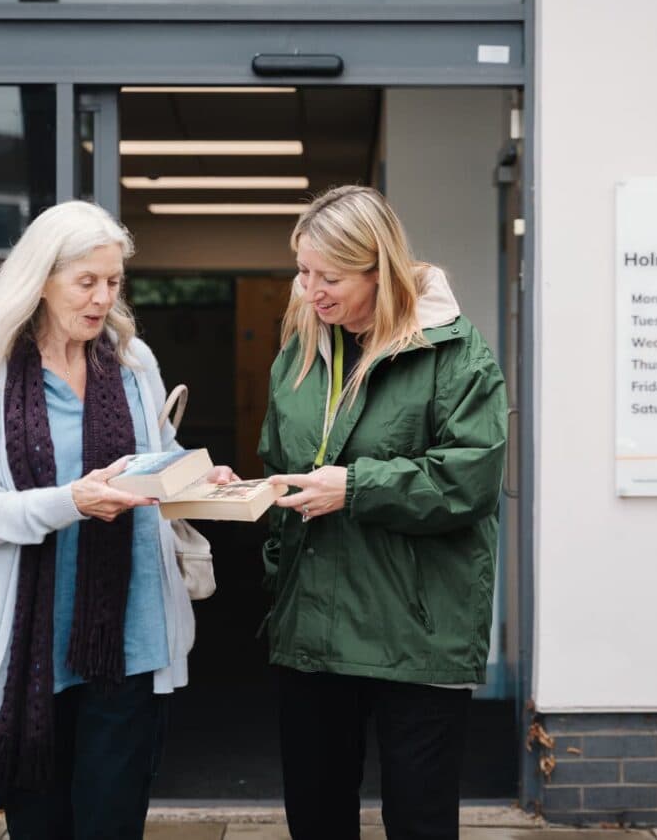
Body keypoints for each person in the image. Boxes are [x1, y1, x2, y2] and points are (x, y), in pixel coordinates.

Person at [0, 200, 234, 839]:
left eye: (113, 282)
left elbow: (152, 464)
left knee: (113, 823)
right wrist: (70, 502)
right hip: (28, 649)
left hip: (131, 637)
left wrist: (196, 475)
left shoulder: (135, 364)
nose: (103, 298)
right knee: (40, 825)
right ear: (39, 282)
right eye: (86, 282)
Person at [258, 185, 508, 840]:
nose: (311, 290)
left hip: (417, 630)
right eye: (304, 271)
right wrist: (253, 498)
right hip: (313, 626)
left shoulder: (455, 355)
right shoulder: (301, 354)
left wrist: (356, 487)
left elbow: (469, 479)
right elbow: (277, 460)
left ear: (381, 270)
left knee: (419, 819)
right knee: (316, 816)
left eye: (330, 277)